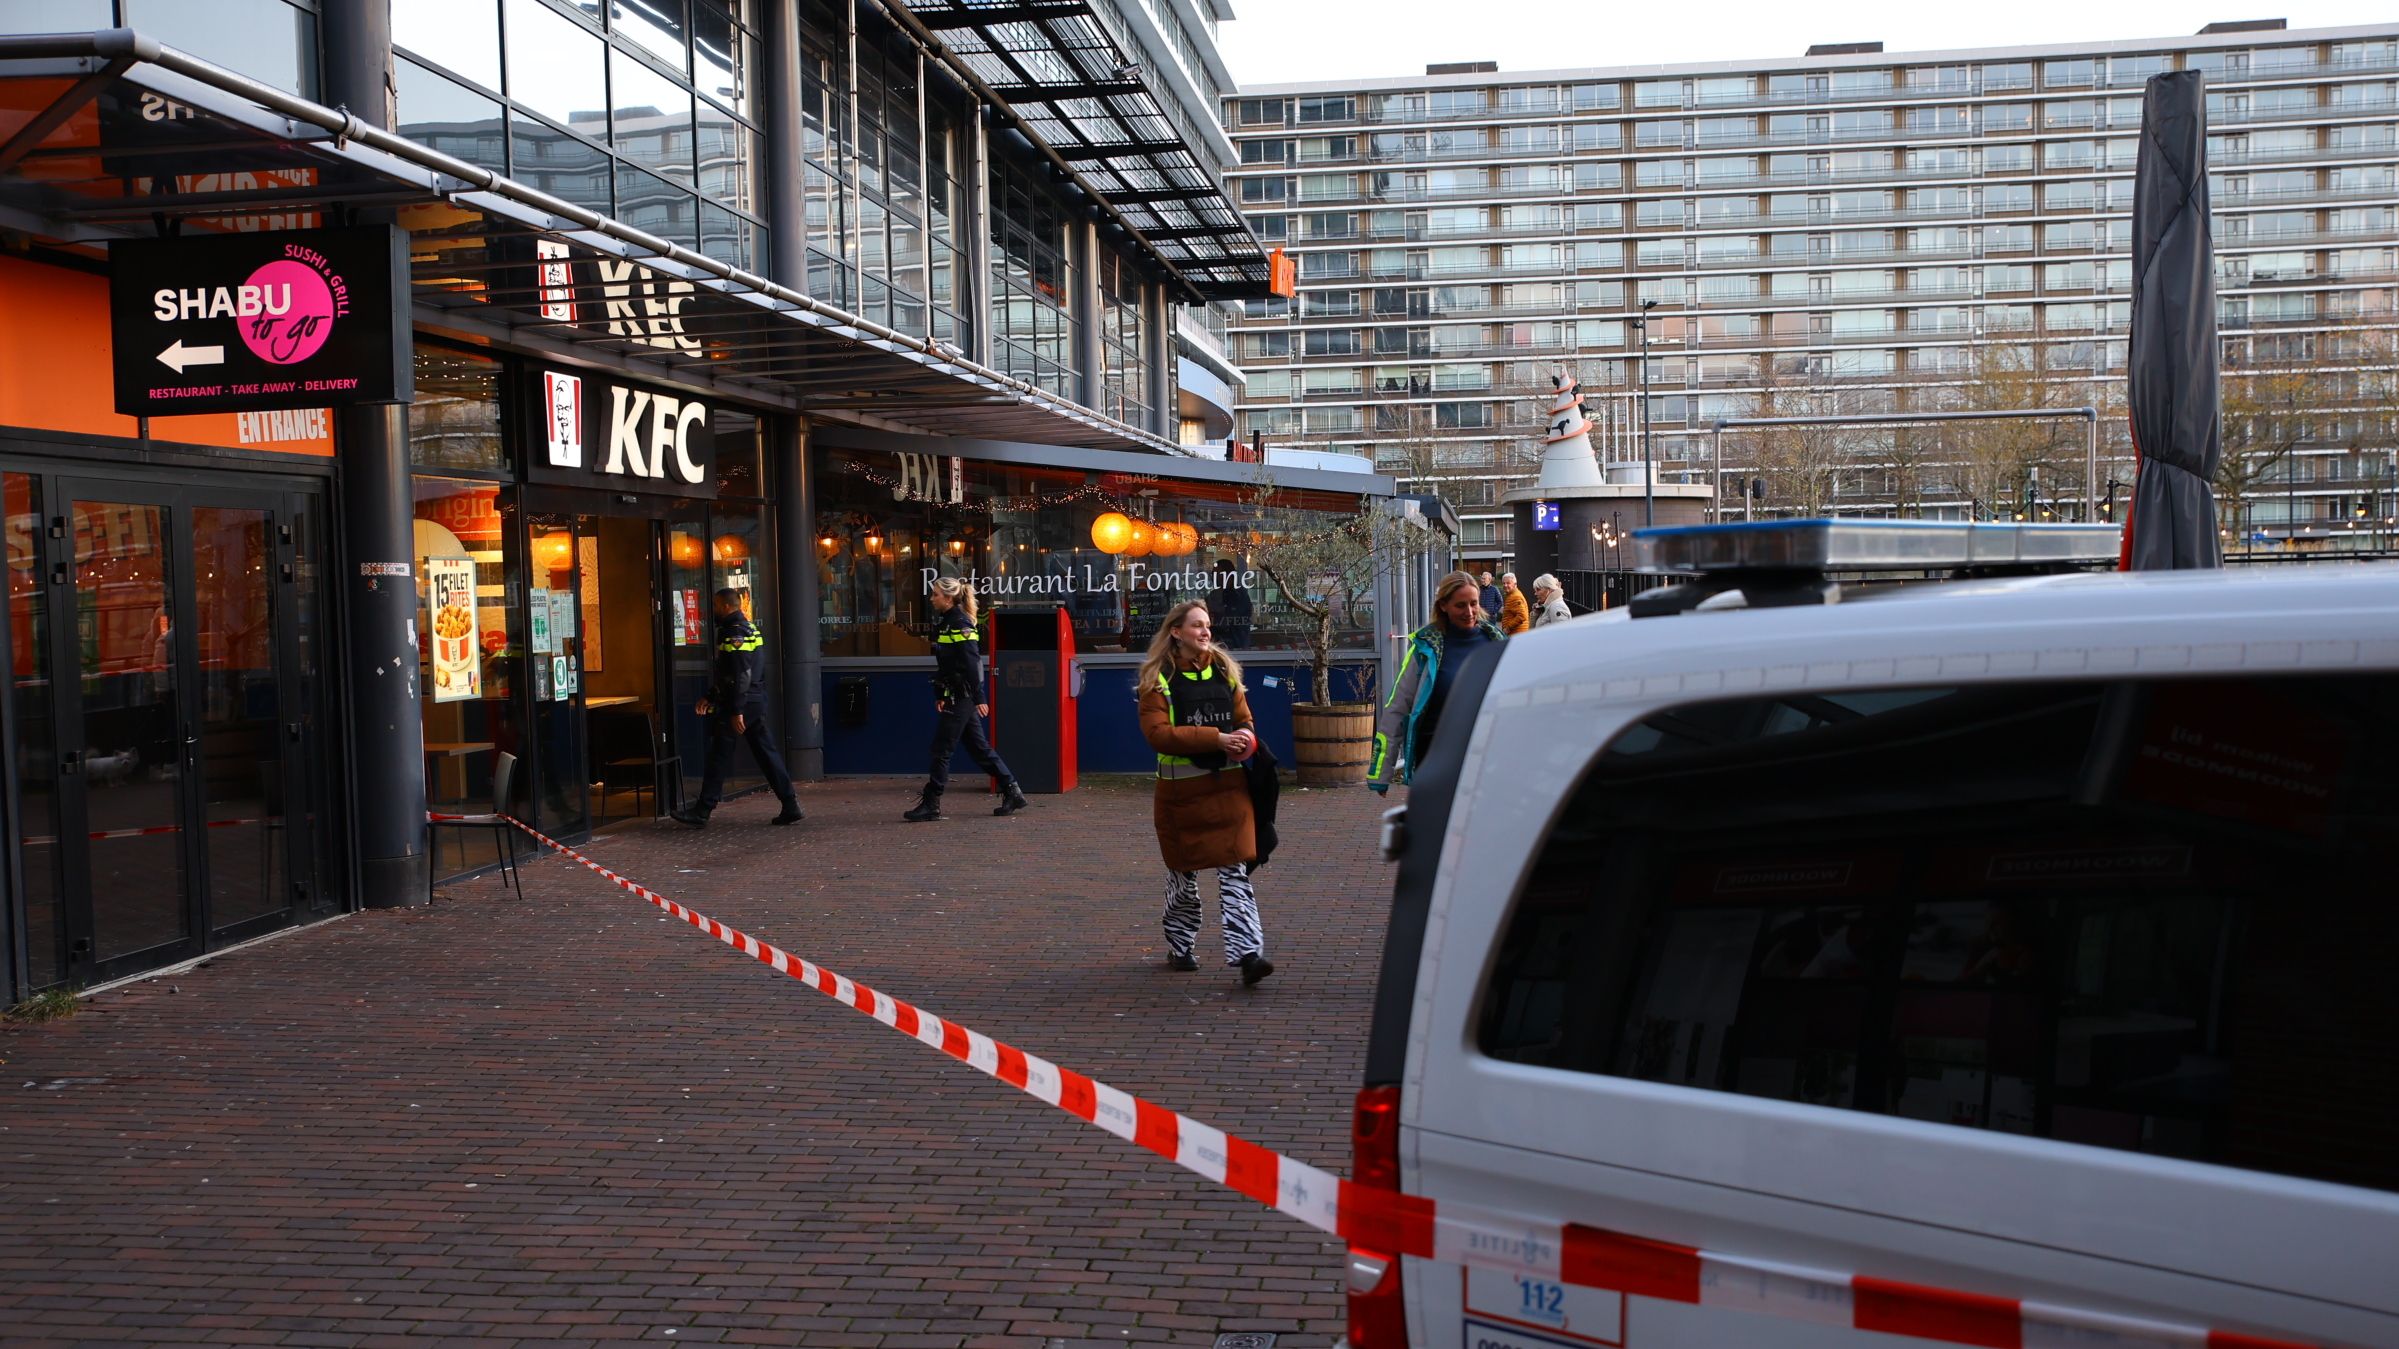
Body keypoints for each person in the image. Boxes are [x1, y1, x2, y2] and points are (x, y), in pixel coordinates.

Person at [1138, 600, 1274, 985]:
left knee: (1235, 873)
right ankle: (1180, 947)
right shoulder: (1157, 678)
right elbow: (1157, 735)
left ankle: (1249, 955)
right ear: (1176, 632)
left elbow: (1244, 719)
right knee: (1183, 876)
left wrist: (1245, 738)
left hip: (1229, 792)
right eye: (1197, 625)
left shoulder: (1225, 672)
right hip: (1181, 798)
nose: (1206, 632)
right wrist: (1217, 739)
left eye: (1208, 625)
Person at [672, 589, 802, 828]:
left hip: (741, 702)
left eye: (714, 605)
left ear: (724, 607)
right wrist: (711, 696)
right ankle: (790, 804)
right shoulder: (749, 627)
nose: (712, 610)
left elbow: (741, 674)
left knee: (718, 756)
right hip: (752, 700)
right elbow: (734, 674)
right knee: (766, 754)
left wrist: (737, 710)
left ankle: (702, 810)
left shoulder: (735, 632)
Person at [903, 575, 1029, 822]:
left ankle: (932, 803)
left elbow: (972, 664)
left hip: (962, 697)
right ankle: (1013, 791)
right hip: (956, 695)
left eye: (936, 594)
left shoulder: (960, 624)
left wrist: (978, 696)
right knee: (979, 749)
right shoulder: (947, 623)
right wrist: (940, 693)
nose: (932, 598)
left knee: (941, 749)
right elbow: (947, 665)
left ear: (948, 598)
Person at [1369, 570, 1505, 793]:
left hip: (1485, 758)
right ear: (1443, 605)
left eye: (1474, 603)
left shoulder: (1497, 644)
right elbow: (1397, 707)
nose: (1469, 612)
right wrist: (1382, 774)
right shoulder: (1425, 650)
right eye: (1460, 605)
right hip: (1434, 758)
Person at [1208, 560, 1253, 649]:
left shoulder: (1238, 596)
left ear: (1226, 575)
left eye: (1216, 575)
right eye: (1212, 575)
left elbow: (1227, 620)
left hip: (1234, 645)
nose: (1212, 578)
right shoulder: (1215, 594)